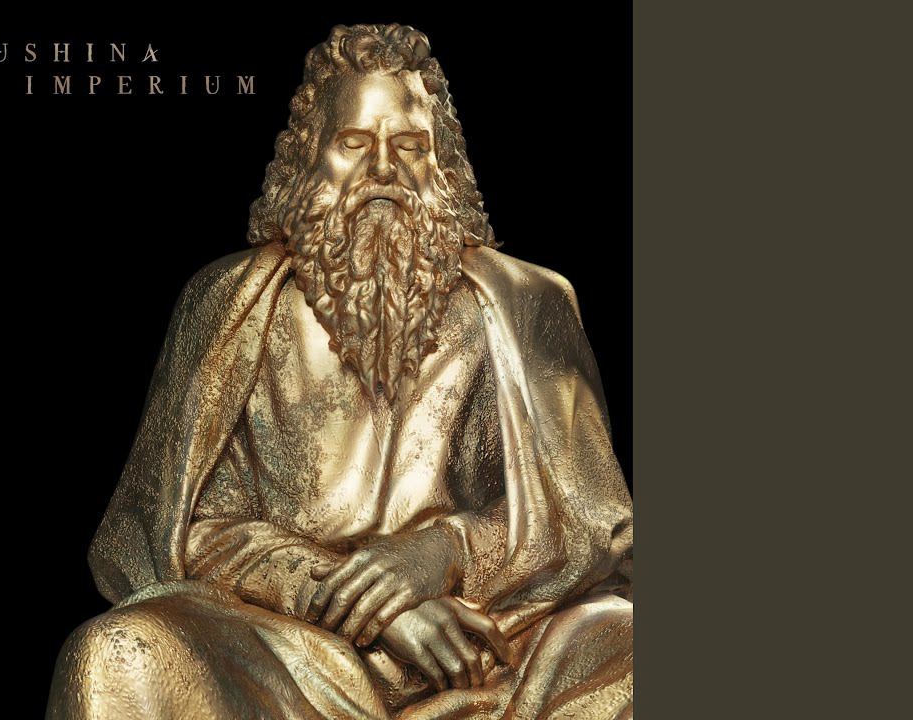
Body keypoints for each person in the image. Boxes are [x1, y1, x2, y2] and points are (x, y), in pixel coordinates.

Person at [48, 23, 633, 720]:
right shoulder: (231, 305)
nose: (383, 168)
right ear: (309, 160)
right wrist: (361, 603)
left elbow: (596, 521)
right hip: (293, 648)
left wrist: (444, 552)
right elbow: (182, 531)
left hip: (488, 642)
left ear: (444, 167)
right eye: (354, 143)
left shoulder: (526, 302)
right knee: (117, 652)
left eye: (409, 146)